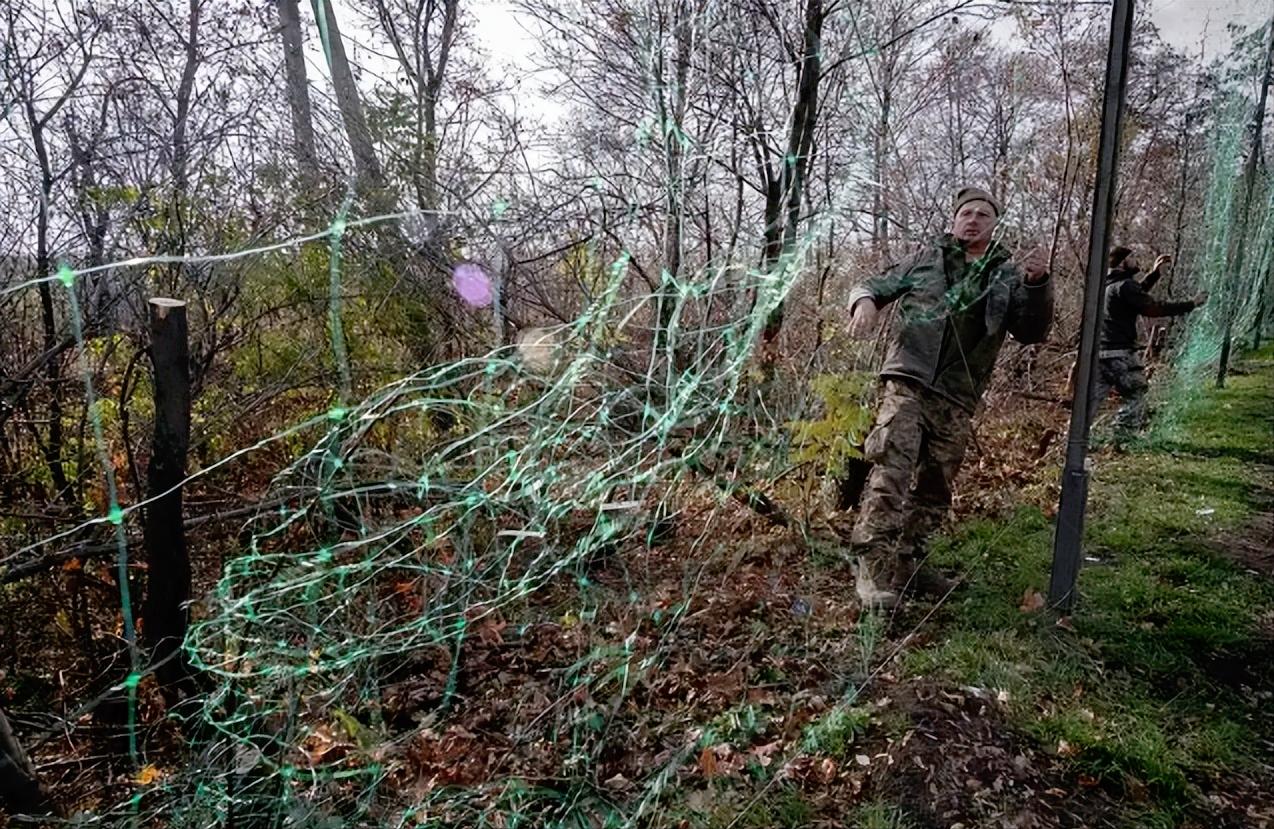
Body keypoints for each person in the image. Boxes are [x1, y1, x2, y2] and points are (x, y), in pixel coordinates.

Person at [845, 186, 1054, 608]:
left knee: (936, 486)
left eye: (983, 215)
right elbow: (871, 284)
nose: (973, 220)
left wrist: (1038, 285)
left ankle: (912, 563)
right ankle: (871, 568)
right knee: (892, 470)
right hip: (909, 382)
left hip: (958, 395)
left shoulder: (1007, 275)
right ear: (954, 220)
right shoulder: (925, 260)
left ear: (994, 226)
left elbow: (1031, 332)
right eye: (966, 213)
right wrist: (864, 303)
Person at [1089, 246, 1207, 442]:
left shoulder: (1107, 286)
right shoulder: (1125, 286)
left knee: (1090, 401)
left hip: (1100, 353)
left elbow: (1135, 295)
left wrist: (1155, 275)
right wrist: (1191, 304)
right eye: (1132, 257)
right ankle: (1121, 437)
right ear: (1122, 263)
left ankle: (1075, 439)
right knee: (1136, 394)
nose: (1136, 260)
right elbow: (1152, 308)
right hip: (1121, 355)